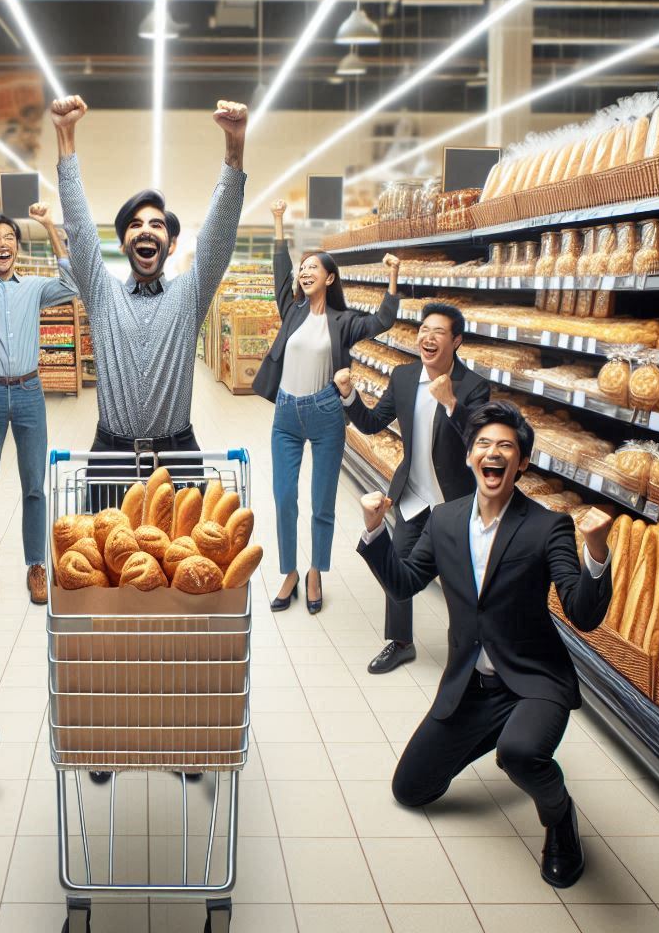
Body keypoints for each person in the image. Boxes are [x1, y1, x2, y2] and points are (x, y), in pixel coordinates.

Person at [357, 401, 612, 889]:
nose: (493, 453)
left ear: (522, 464)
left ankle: (560, 819)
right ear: (470, 457)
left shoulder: (547, 526)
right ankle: (505, 733)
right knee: (411, 790)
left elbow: (583, 612)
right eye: (483, 445)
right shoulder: (445, 521)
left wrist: (596, 553)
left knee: (519, 753)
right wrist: (375, 532)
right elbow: (405, 582)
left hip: (533, 679)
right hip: (471, 685)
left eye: (506, 447)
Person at [52, 93, 247, 500]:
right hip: (112, 459)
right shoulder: (102, 295)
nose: (146, 231)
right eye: (136, 225)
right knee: (105, 564)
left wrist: (234, 149)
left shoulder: (189, 295)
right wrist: (66, 138)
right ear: (124, 243)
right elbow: (81, 228)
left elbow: (217, 239)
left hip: (178, 461)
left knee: (183, 565)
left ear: (170, 244)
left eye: (157, 225)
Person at [252, 200, 401, 614]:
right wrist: (279, 221)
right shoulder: (292, 310)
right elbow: (279, 269)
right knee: (284, 497)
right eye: (302, 268)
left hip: (326, 414)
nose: (303, 272)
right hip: (285, 413)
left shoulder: (343, 320)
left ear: (329, 277)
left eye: (312, 267)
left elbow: (382, 322)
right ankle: (289, 572)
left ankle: (316, 570)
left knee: (321, 501)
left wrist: (392, 275)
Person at [334, 302, 490, 673]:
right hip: (413, 497)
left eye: (438, 332)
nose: (427, 337)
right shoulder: (404, 378)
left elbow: (481, 443)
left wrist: (452, 403)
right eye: (424, 329)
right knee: (395, 568)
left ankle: (467, 649)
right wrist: (348, 393)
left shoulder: (473, 386)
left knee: (460, 582)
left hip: (455, 503)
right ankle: (401, 642)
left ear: (457, 342)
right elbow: (372, 423)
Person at [0, 205, 77, 606]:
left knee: (34, 486)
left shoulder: (34, 288)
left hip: (30, 391)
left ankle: (36, 566)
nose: (3, 244)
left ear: (17, 248)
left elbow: (73, 281)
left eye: (9, 238)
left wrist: (49, 225)